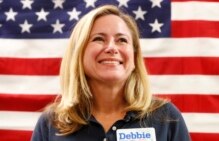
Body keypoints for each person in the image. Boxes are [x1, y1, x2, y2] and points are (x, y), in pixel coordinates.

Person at [31, 4, 191, 141]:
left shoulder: (166, 117)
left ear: (134, 57)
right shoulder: (51, 122)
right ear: (78, 53)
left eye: (122, 40)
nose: (112, 48)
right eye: (99, 39)